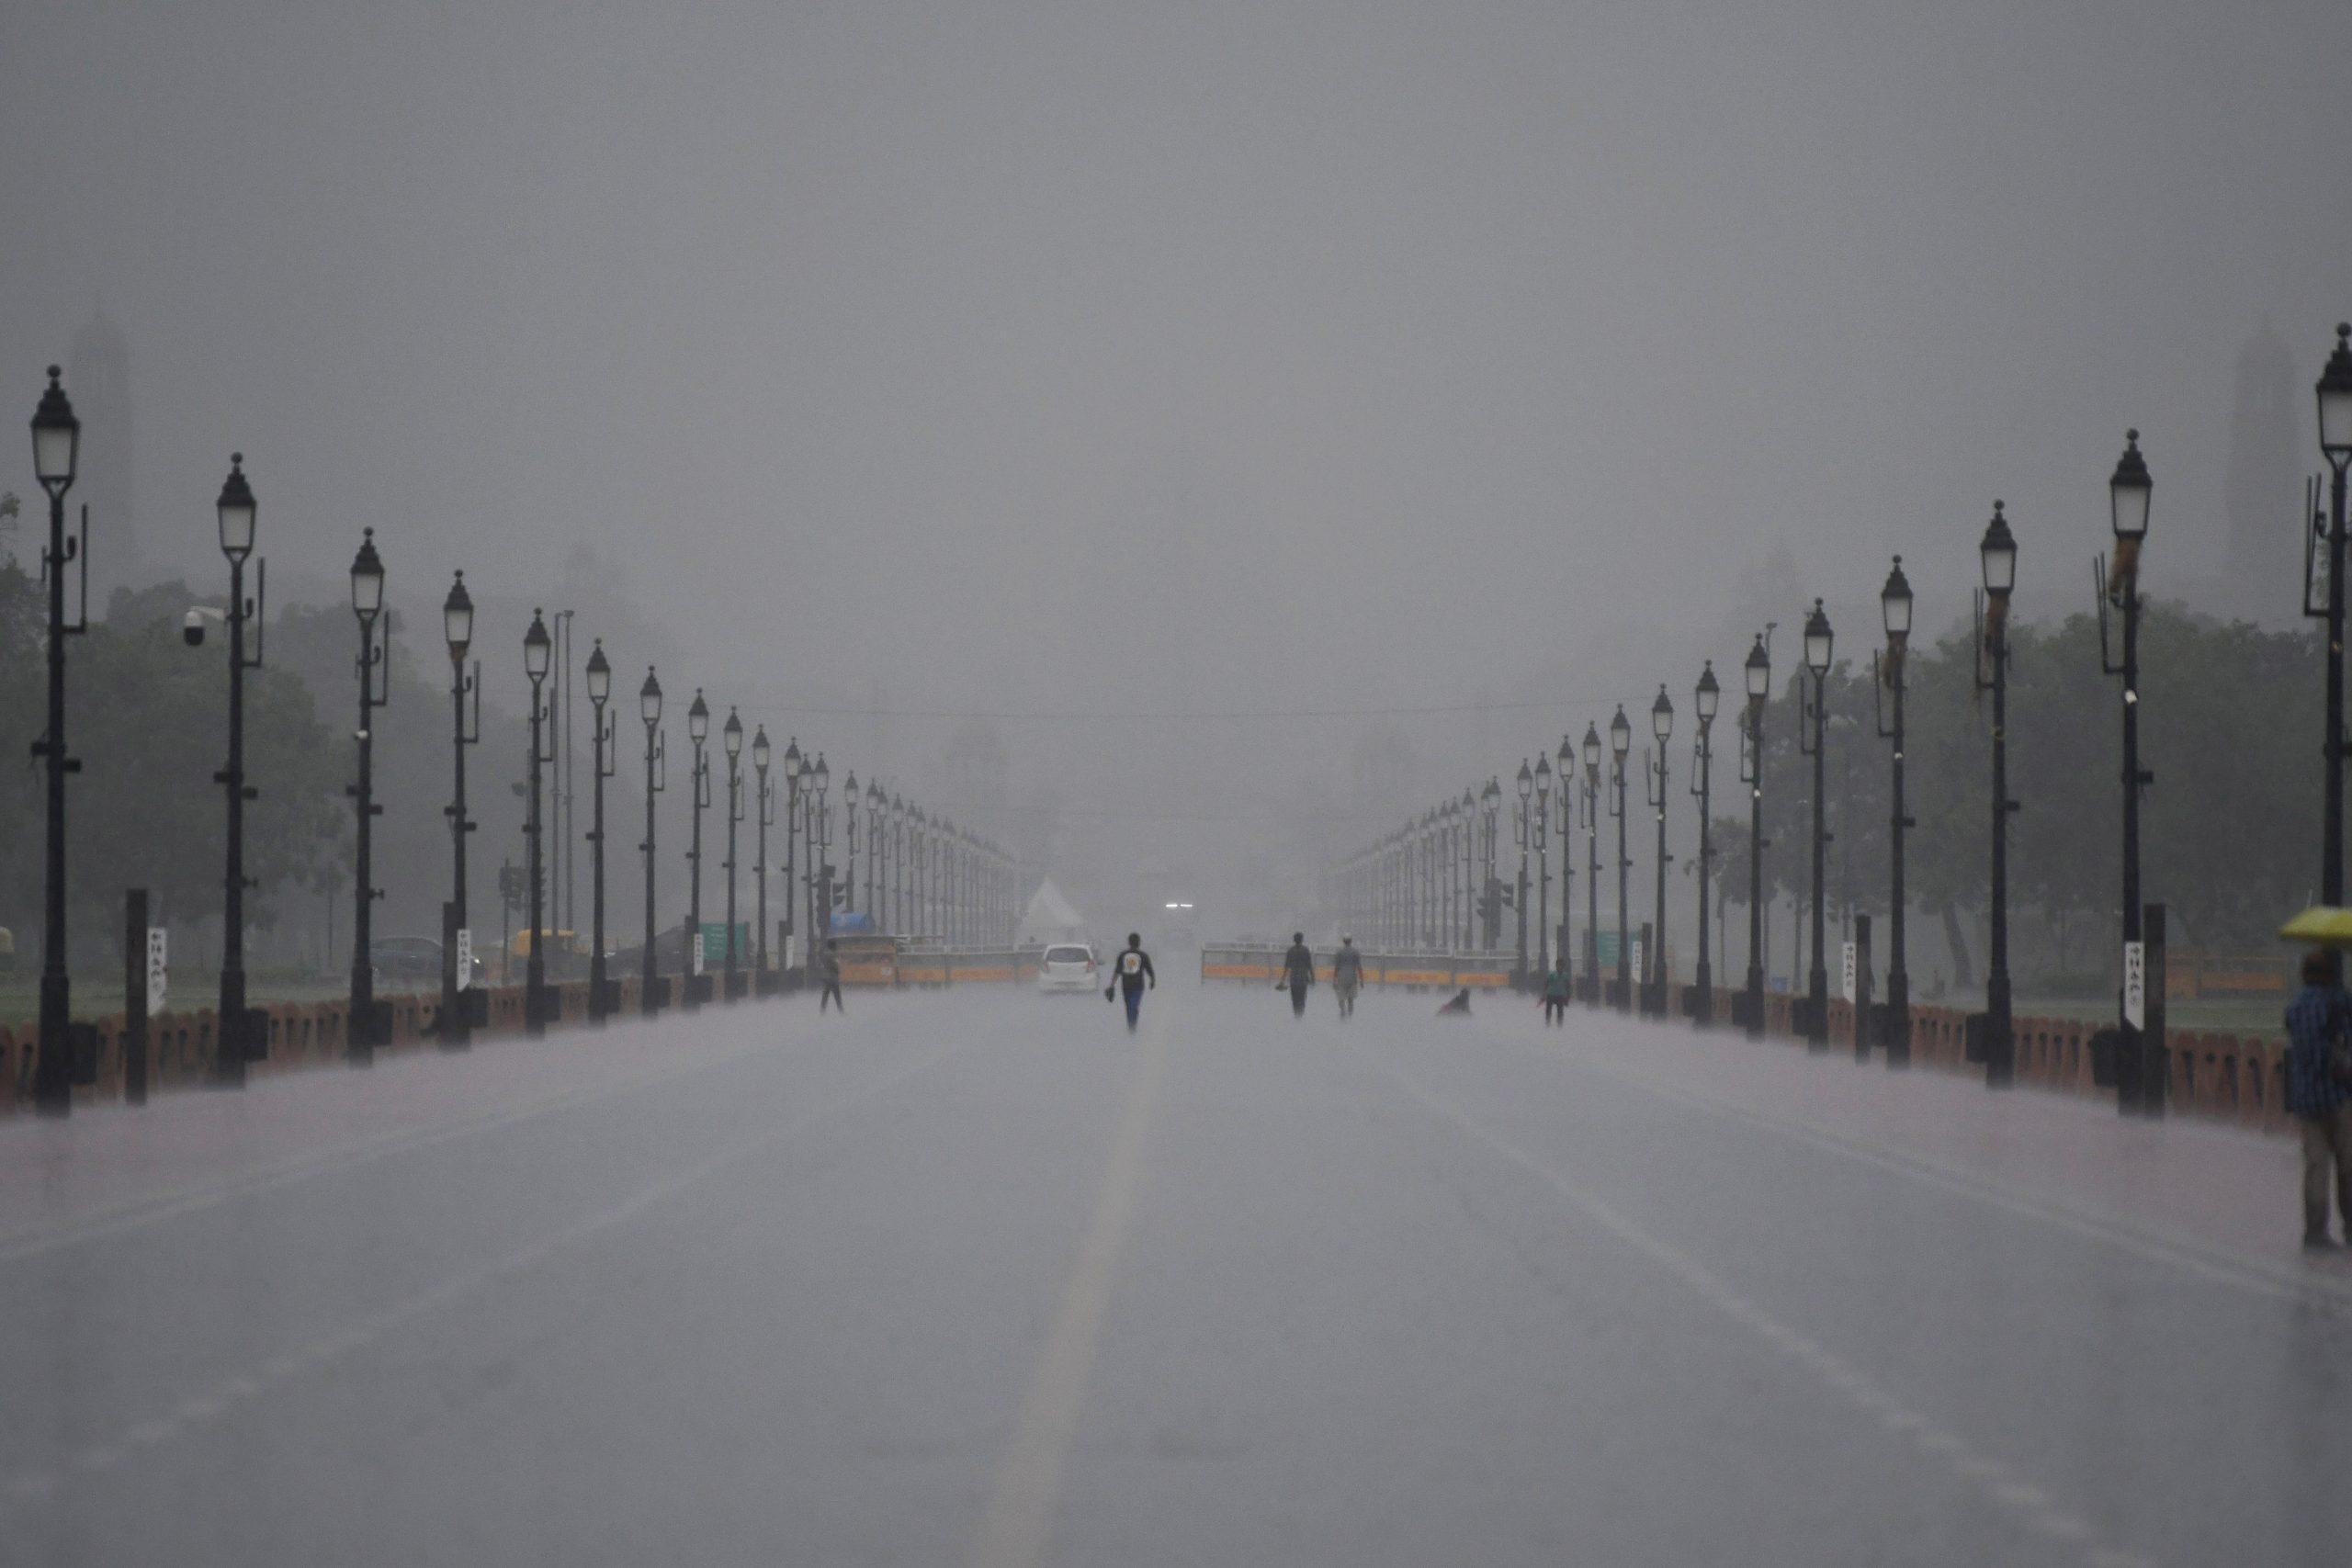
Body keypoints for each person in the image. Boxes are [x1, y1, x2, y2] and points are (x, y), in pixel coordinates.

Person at [2284, 947, 2352, 1249]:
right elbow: (2321, 1051)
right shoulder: (2334, 1004)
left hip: (2306, 1099)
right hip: (2337, 1096)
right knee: (2347, 1166)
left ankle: (2315, 1230)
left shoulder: (2296, 1006)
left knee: (2316, 1167)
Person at [1105, 932, 1156, 1032]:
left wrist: (1112, 984)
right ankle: (1131, 1025)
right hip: (1137, 986)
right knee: (1132, 1006)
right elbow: (1149, 970)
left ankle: (1132, 1026)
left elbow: (1117, 971)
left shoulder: (1123, 955)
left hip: (1128, 985)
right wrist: (1152, 980)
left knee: (1130, 1006)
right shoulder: (1142, 955)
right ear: (1139, 943)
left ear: (1129, 942)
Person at [1279, 931, 1316, 1019]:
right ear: (1302, 940)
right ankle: (1300, 1016)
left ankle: (1296, 1016)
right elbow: (1309, 965)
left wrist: (1282, 980)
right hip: (1303, 979)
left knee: (1294, 999)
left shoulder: (1290, 951)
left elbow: (1286, 967)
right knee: (1302, 998)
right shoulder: (1306, 950)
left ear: (1294, 940)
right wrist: (1313, 978)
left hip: (1293, 978)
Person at [1332, 935, 1363, 1020]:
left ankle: (1343, 1011)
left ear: (1343, 941)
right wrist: (1361, 980)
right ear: (1351, 941)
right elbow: (1359, 967)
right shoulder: (1355, 952)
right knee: (1350, 999)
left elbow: (1337, 967)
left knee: (1341, 998)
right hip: (1352, 978)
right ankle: (1350, 1016)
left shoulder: (1339, 953)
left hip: (1341, 978)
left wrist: (1334, 980)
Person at [818, 940, 844, 1014]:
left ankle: (822, 1010)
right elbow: (835, 965)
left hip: (825, 976)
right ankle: (841, 1010)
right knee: (837, 994)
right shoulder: (834, 955)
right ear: (834, 946)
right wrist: (838, 971)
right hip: (833, 977)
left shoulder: (825, 954)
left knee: (825, 994)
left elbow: (822, 963)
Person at [1543, 961, 1570, 1026]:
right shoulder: (1552, 974)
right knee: (1548, 1010)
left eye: (1561, 966)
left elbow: (1568, 986)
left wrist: (1567, 997)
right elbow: (1547, 983)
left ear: (1563, 967)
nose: (1559, 967)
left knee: (1560, 1011)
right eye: (1558, 965)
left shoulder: (1565, 975)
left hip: (1560, 996)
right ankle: (1548, 1023)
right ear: (1556, 966)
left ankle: (1559, 1025)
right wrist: (1544, 993)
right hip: (1551, 995)